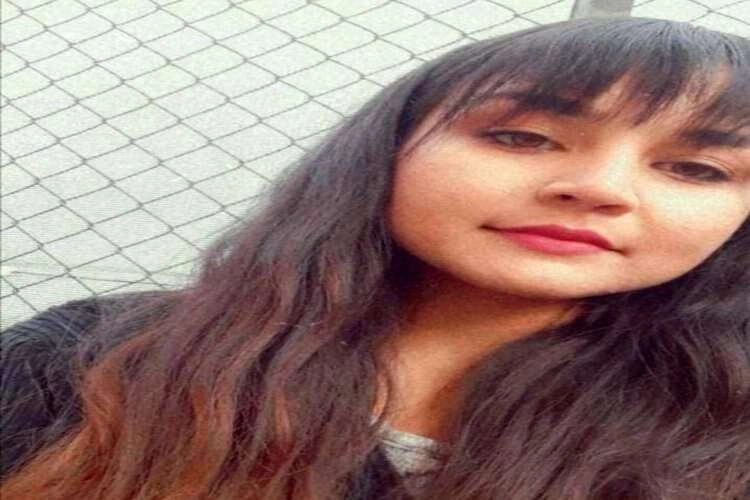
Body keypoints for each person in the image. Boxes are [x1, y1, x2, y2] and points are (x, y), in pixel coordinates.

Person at [1, 16, 749, 500]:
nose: (599, 188)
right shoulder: (89, 361)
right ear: (389, 148)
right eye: (520, 137)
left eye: (697, 169)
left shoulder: (724, 439)